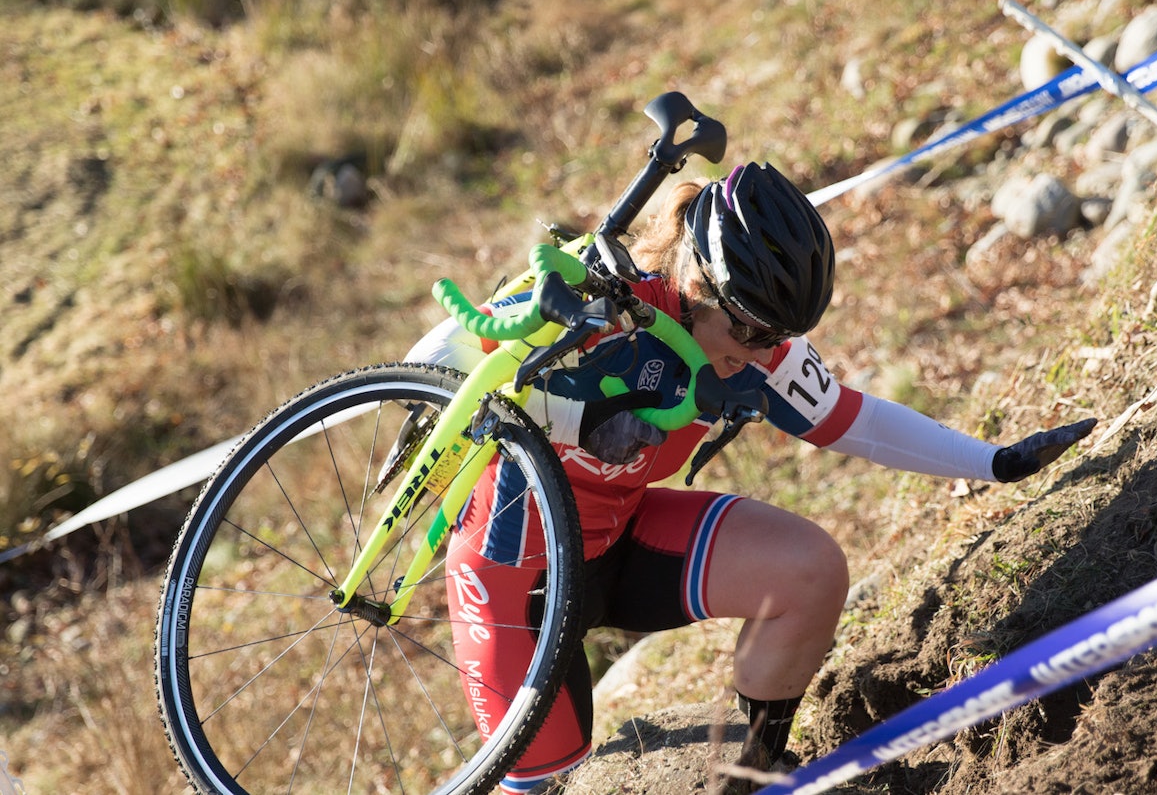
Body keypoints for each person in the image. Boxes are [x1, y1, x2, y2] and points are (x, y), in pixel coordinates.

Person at [405, 162, 1096, 793]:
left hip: (621, 537)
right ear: (700, 286)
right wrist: (527, 413)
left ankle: (743, 780)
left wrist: (992, 461)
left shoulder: (750, 338)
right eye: (755, 334)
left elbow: (856, 420)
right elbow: (449, 350)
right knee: (543, 778)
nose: (767, 353)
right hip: (514, 581)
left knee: (809, 571)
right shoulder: (598, 308)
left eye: (777, 337)